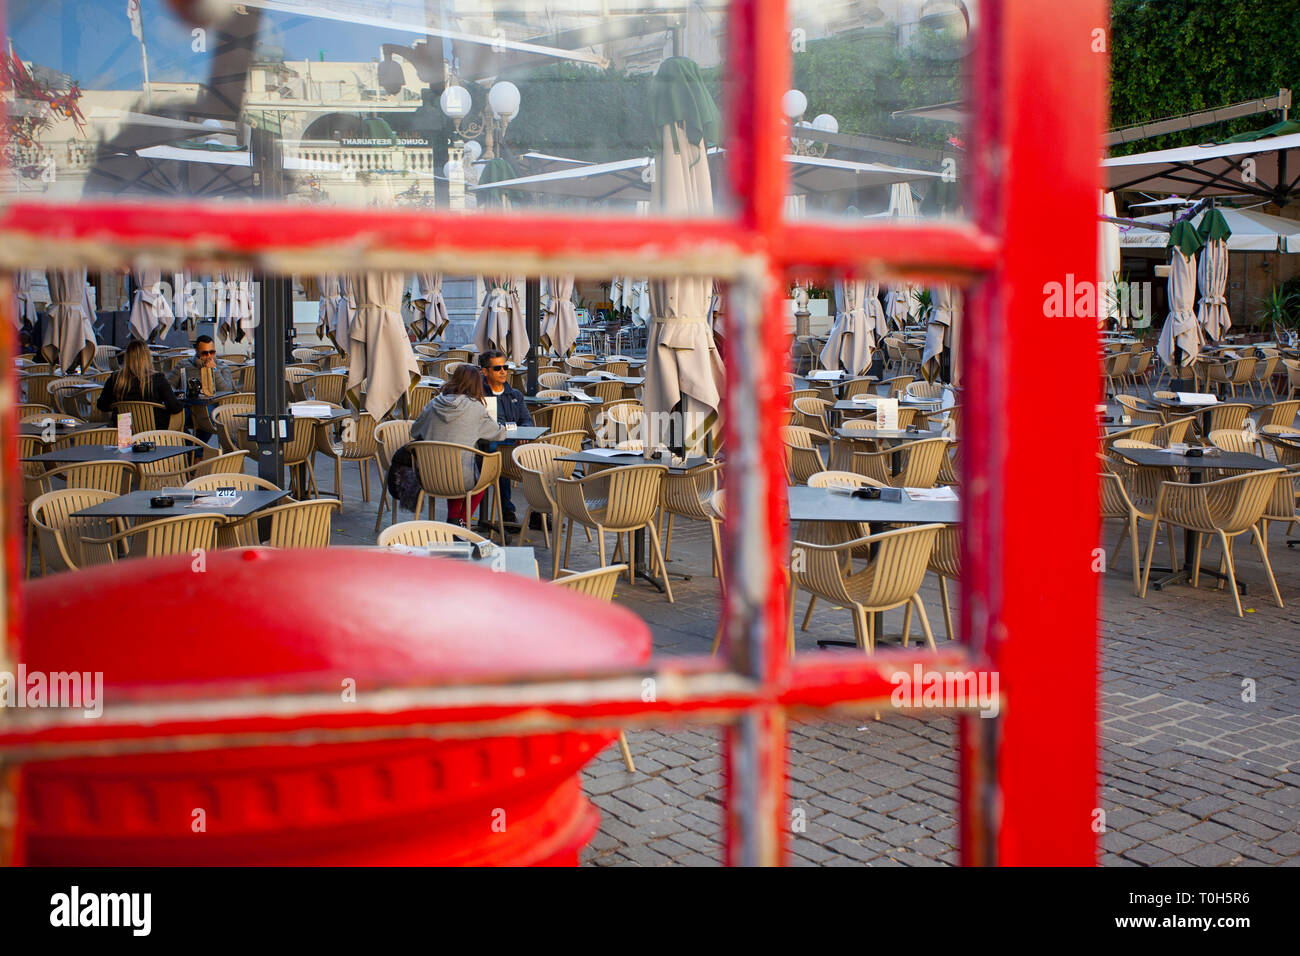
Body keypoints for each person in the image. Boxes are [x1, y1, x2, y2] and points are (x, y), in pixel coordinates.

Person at [406, 363, 507, 527]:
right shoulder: (476, 408)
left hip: (428, 476)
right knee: (481, 475)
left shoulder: (432, 404)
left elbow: (415, 431)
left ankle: (454, 519)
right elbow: (499, 434)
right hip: (461, 479)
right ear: (476, 384)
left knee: (456, 467)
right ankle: (462, 521)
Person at [478, 349, 533, 527]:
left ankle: (539, 512)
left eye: (505, 367)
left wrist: (523, 434)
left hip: (513, 444)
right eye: (497, 368)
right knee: (498, 457)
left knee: (542, 459)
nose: (503, 371)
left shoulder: (515, 395)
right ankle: (507, 510)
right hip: (485, 447)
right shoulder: (477, 395)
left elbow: (527, 421)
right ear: (485, 371)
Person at [96, 340, 182, 431]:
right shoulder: (157, 379)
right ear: (147, 357)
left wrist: (118, 406)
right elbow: (174, 407)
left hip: (124, 431)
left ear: (127, 357)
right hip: (153, 432)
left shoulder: (115, 379)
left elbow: (102, 405)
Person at [167, 335, 233, 442]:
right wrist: (180, 393)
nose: (209, 356)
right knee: (174, 420)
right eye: (204, 353)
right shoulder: (184, 364)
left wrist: (214, 371)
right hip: (188, 404)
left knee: (207, 417)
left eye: (212, 352)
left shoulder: (222, 366)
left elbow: (227, 389)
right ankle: (194, 447)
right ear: (197, 351)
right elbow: (170, 386)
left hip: (210, 405)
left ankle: (196, 452)